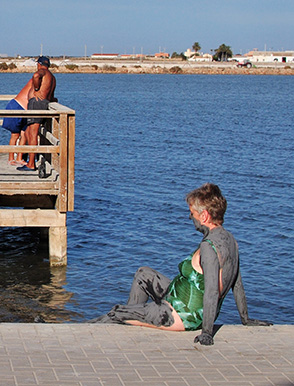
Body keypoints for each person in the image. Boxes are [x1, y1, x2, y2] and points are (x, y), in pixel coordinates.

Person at [90, 183, 272, 345]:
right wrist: (245, 318)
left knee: (117, 312)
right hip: (179, 297)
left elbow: (212, 291)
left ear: (205, 216)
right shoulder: (231, 240)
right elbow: (237, 284)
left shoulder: (209, 248)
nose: (189, 217)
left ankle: (89, 329)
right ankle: (133, 321)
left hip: (179, 315)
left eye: (192, 213)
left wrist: (206, 333)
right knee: (143, 274)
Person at [19, 56, 56, 172]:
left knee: (33, 133)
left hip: (37, 103)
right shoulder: (52, 77)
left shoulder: (43, 72)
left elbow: (36, 76)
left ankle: (31, 164)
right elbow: (51, 96)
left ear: (39, 64)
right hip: (42, 103)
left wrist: (35, 88)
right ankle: (32, 159)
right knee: (31, 132)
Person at [1, 77, 33, 166]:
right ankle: (11, 158)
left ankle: (19, 157)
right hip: (17, 106)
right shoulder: (35, 79)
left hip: (26, 111)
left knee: (24, 135)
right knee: (15, 134)